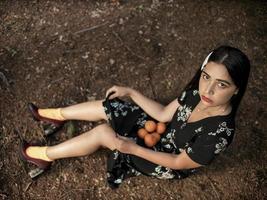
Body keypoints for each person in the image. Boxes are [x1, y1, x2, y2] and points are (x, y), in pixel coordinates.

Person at [20, 45, 250, 188]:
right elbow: (162, 114)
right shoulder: (195, 94)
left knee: (103, 132)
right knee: (110, 107)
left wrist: (133, 149)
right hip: (163, 130)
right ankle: (55, 116)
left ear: (236, 89)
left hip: (168, 160)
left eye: (221, 84)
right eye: (206, 77)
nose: (207, 90)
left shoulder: (219, 133)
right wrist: (131, 92)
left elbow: (179, 162)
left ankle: (45, 156)